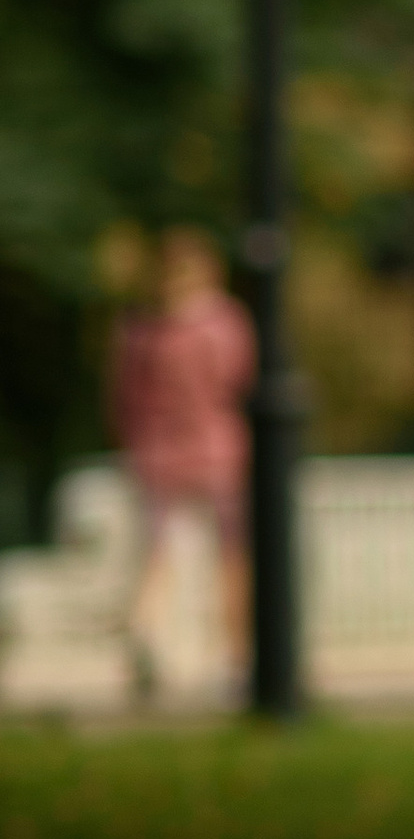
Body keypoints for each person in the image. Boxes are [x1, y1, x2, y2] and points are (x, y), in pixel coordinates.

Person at [110, 226, 256, 693]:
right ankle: (234, 655)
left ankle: (145, 627)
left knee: (158, 553)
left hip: (156, 453)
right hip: (219, 451)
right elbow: (239, 380)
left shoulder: (139, 330)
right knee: (230, 556)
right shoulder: (223, 324)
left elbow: (122, 399)